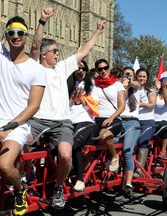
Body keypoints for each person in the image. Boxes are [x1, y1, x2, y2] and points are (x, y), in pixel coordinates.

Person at [0, 1, 53, 215]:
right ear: (6, 35)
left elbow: (34, 106)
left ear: (26, 36)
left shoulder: (36, 69)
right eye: (11, 32)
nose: (15, 36)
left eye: (20, 32)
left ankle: (20, 190)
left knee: (4, 165)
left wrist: (9, 128)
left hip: (17, 126)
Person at [29, 20, 106, 209]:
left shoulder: (61, 68)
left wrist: (97, 31)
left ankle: (57, 187)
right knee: (19, 142)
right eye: (54, 51)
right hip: (37, 120)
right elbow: (34, 45)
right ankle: (26, 177)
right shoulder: (34, 68)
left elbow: (84, 51)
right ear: (44, 55)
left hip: (61, 121)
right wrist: (42, 22)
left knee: (65, 154)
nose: (57, 53)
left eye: (57, 51)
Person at [68, 60, 98, 192]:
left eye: (83, 69)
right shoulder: (67, 85)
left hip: (85, 121)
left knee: (74, 145)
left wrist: (82, 99)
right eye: (78, 68)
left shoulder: (91, 86)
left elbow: (95, 106)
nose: (80, 71)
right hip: (68, 121)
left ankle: (79, 179)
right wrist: (73, 99)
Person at [91, 59, 125, 174]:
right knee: (87, 148)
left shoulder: (117, 84)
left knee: (104, 135)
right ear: (97, 70)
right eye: (100, 69)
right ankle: (83, 178)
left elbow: (122, 107)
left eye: (105, 68)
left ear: (109, 68)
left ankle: (114, 156)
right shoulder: (93, 83)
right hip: (96, 118)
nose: (103, 71)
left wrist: (111, 118)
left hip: (113, 118)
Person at [120, 67, 141, 196]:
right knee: (106, 144)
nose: (128, 76)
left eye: (131, 75)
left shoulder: (137, 88)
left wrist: (129, 81)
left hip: (132, 123)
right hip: (118, 121)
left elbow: (136, 84)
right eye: (126, 74)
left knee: (127, 151)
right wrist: (123, 85)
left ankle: (128, 183)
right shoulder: (120, 88)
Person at [134, 68, 156, 178]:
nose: (142, 78)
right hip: (134, 120)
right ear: (136, 77)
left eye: (144, 76)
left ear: (147, 78)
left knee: (142, 141)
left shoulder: (150, 90)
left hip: (147, 121)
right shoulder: (132, 90)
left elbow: (152, 104)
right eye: (140, 76)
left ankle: (139, 169)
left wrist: (141, 104)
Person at [154, 77, 167, 159]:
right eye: (165, 84)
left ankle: (163, 151)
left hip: (164, 120)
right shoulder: (155, 94)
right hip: (153, 120)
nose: (166, 86)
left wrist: (164, 89)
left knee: (163, 126)